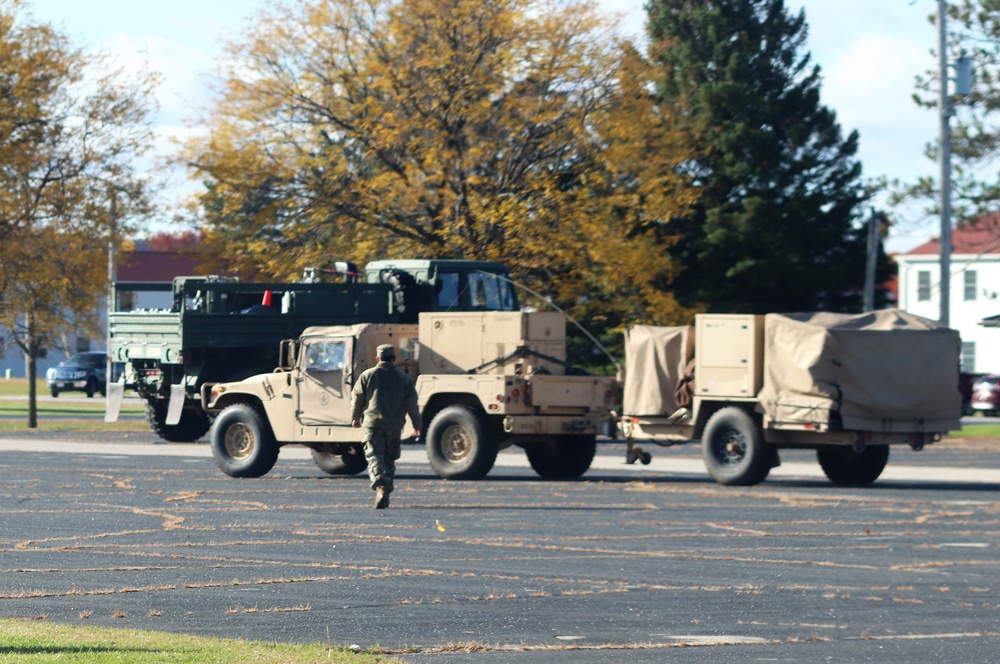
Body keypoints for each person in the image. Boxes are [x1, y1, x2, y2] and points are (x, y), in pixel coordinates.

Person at [350, 344, 421, 509]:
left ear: (377, 359)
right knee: (389, 459)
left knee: (375, 457)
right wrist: (417, 425)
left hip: (373, 424)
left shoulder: (367, 376)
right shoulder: (404, 378)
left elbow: (357, 399)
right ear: (394, 359)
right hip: (394, 425)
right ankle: (386, 492)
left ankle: (380, 487)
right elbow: (412, 405)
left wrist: (355, 418)